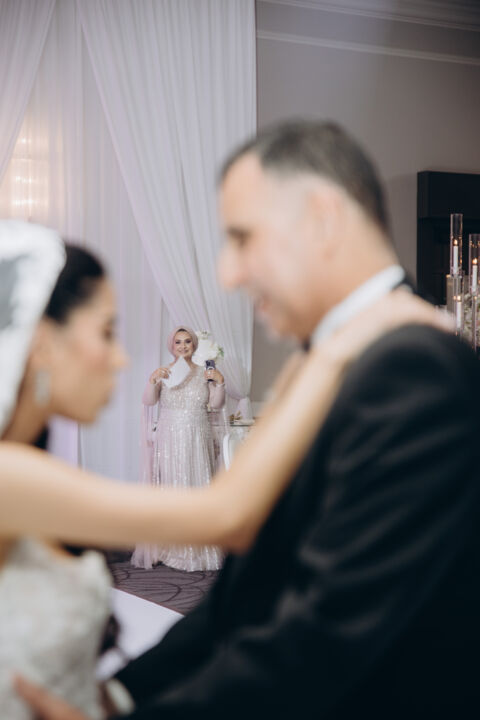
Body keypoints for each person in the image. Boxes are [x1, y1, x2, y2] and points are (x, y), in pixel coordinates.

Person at [15, 119, 480, 720]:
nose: (228, 274)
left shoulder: (413, 366)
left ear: (323, 218)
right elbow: (248, 590)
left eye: (242, 238)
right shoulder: (330, 364)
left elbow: (330, 628)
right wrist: (125, 696)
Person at [132, 326, 225, 571]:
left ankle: (199, 545)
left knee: (197, 487)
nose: (183, 346)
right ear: (171, 346)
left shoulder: (205, 372)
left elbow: (216, 404)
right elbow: (148, 401)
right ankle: (172, 545)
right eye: (178, 342)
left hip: (197, 435)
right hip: (170, 437)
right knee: (173, 485)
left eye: (187, 342)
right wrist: (152, 380)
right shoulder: (164, 372)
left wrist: (220, 383)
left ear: (194, 345)